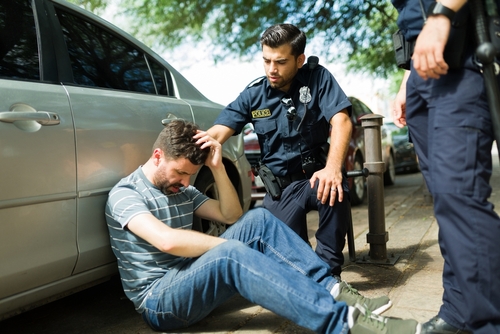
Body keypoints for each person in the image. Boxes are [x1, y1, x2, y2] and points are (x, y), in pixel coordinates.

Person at [105, 119, 420, 333]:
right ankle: (347, 325)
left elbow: (231, 214)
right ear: (157, 156)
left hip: (187, 279)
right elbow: (167, 241)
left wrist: (216, 168)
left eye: (190, 175)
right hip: (159, 301)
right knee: (230, 253)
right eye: (180, 173)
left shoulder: (182, 189)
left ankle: (334, 290)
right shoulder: (125, 194)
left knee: (257, 220)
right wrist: (228, 247)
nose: (185, 182)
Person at [208, 23, 352, 279]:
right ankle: (311, 275)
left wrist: (332, 168)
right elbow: (217, 134)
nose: (271, 70)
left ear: (299, 60)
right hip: (281, 189)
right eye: (266, 61)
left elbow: (341, 121)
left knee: (334, 189)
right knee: (290, 262)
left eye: (280, 62)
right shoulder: (253, 95)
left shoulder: (318, 78)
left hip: (316, 177)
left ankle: (330, 273)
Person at [391, 0, 500, 333]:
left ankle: (488, 323)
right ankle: (458, 310)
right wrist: (407, 79)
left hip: (462, 55)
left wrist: (442, 15)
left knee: (459, 196)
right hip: (423, 69)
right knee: (446, 202)